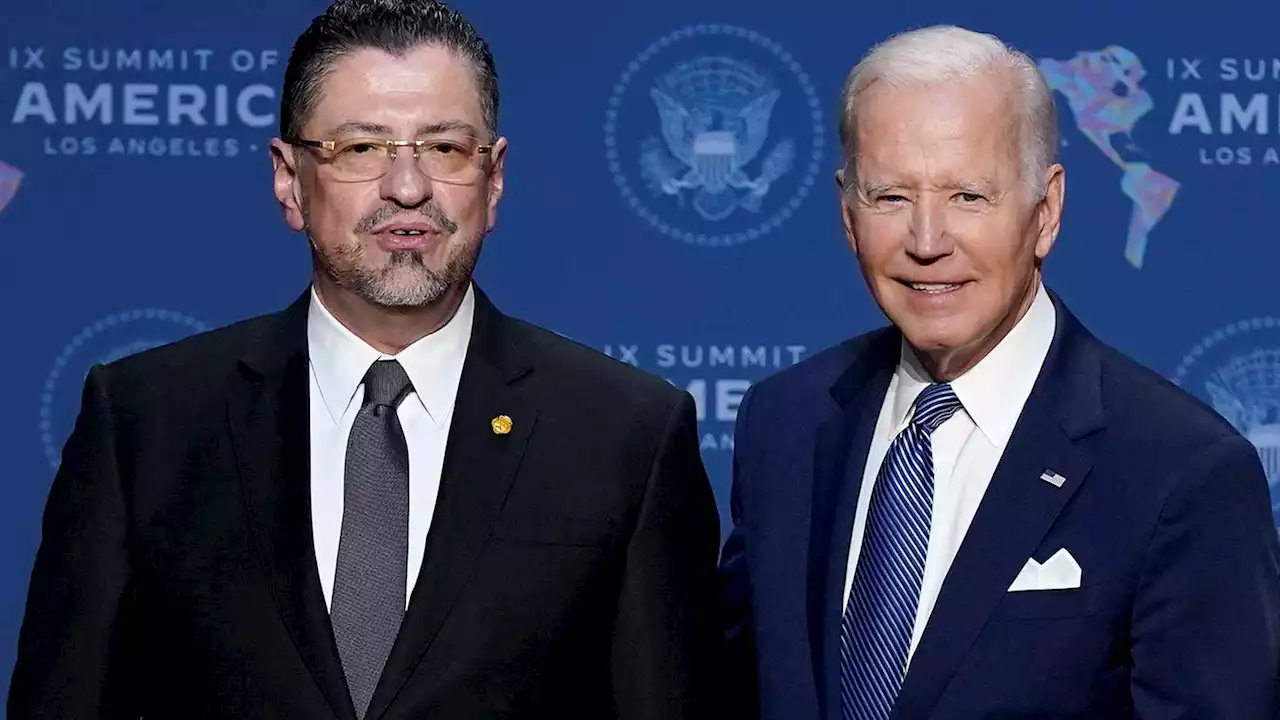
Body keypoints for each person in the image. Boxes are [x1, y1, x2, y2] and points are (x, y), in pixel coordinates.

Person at [8, 1, 721, 718]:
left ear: (494, 178)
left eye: (444, 148)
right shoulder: (145, 422)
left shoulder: (625, 434)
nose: (406, 189)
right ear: (289, 180)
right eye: (362, 149)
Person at [718, 24, 1280, 720]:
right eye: (891, 197)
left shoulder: (1180, 470)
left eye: (968, 197)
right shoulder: (786, 421)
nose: (927, 242)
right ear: (846, 213)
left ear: (1045, 213)